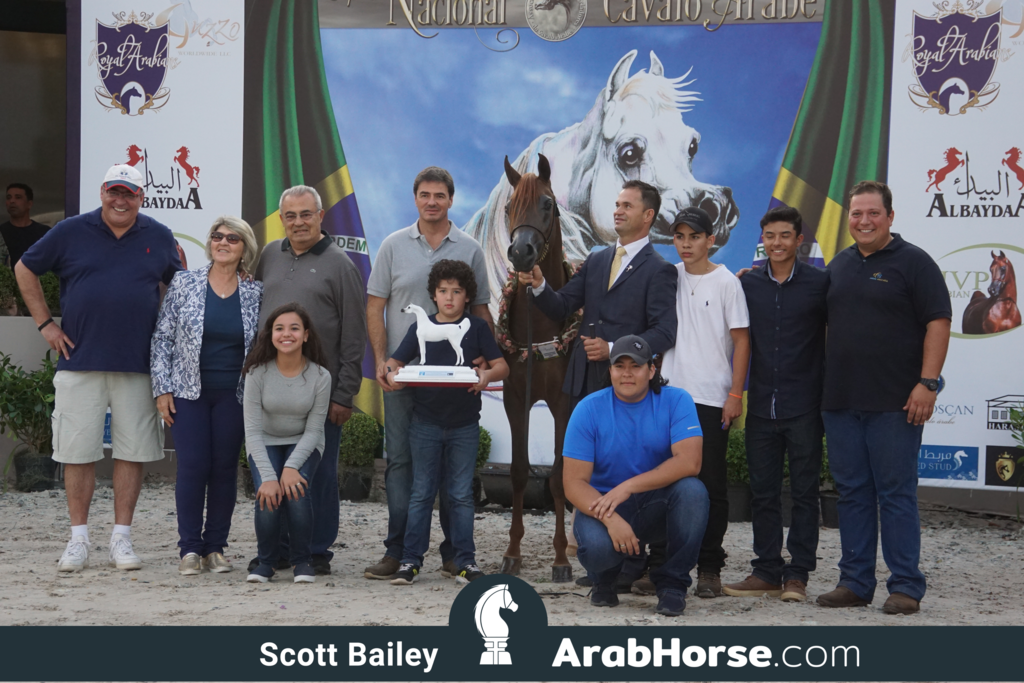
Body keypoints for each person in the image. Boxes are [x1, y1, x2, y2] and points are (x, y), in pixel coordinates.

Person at [15, 164, 181, 572]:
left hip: (138, 364)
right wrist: (45, 324)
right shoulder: (71, 230)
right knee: (77, 451)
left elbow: (180, 289)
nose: (120, 200)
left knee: (132, 452)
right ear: (102, 191)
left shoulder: (159, 236)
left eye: (129, 193)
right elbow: (24, 268)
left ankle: (121, 539)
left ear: (142, 197)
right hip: (79, 361)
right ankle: (79, 539)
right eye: (114, 191)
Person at [816, 181, 951, 615]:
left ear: (890, 217)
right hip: (840, 402)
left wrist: (928, 383)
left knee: (895, 494)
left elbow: (938, 322)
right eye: (857, 214)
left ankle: (906, 586)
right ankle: (855, 582)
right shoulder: (838, 266)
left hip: (896, 403)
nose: (864, 221)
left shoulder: (914, 263)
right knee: (852, 493)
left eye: (873, 213)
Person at [364, 167, 492, 581]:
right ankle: (398, 551)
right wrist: (384, 360)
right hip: (402, 377)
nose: (432, 201)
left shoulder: (471, 248)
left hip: (454, 386)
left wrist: (488, 363)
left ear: (451, 199)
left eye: (440, 195)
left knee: (456, 475)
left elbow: (482, 311)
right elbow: (375, 305)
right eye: (424, 194)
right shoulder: (392, 245)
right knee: (401, 463)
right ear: (415, 198)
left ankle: (456, 554)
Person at [250, 185, 368, 575]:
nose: (298, 222)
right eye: (290, 215)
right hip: (271, 391)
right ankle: (281, 549)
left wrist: (344, 394)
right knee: (275, 470)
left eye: (306, 214)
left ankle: (317, 551)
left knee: (316, 476)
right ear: (281, 219)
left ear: (321, 216)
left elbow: (354, 335)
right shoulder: (268, 255)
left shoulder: (340, 265)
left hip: (321, 395)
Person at [724, 206, 828, 603]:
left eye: (785, 236)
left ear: (799, 240)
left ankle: (797, 575)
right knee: (762, 493)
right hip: (762, 407)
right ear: (761, 240)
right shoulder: (746, 285)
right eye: (770, 236)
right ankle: (766, 569)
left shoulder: (820, 284)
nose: (777, 243)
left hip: (805, 405)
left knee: (804, 494)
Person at [563, 335, 709, 617]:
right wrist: (611, 518)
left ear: (652, 370)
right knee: (596, 549)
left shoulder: (677, 400)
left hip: (656, 503)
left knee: (693, 492)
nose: (627, 373)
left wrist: (628, 486)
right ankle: (604, 579)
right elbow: (573, 483)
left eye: (636, 366)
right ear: (610, 371)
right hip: (605, 506)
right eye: (619, 366)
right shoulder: (588, 408)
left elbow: (691, 462)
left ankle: (672, 584)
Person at [382, 259, 508, 585]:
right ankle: (410, 561)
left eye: (457, 291)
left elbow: (501, 367)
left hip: (465, 425)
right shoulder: (417, 328)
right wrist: (392, 372)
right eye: (442, 291)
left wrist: (486, 375)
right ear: (433, 296)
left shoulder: (478, 329)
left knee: (462, 495)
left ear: (468, 296)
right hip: (424, 424)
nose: (449, 297)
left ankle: (464, 560)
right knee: (421, 493)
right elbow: (395, 361)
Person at [150, 216, 263, 575]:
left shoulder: (255, 292)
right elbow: (162, 338)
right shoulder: (184, 283)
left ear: (245, 248)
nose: (223, 242)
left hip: (235, 394)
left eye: (233, 237)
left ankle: (215, 548)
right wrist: (161, 388)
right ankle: (189, 549)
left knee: (224, 469)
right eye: (217, 236)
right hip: (187, 393)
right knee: (193, 467)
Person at [518, 180, 677, 407]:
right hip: (581, 383)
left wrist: (613, 348)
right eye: (617, 204)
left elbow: (664, 332)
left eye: (627, 206)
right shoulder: (596, 260)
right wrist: (539, 285)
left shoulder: (660, 270)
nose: (617, 212)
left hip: (627, 386)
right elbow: (561, 306)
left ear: (648, 215)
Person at [658, 207, 750, 600]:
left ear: (711, 240)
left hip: (711, 399)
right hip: (666, 396)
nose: (686, 244)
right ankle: (658, 562)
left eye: (694, 236)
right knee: (662, 481)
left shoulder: (728, 282)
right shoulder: (667, 277)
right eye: (679, 237)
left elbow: (743, 341)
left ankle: (710, 567)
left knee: (711, 486)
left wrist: (734, 395)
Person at [242, 304, 332, 584]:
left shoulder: (320, 376)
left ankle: (302, 561)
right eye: (279, 328)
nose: (286, 334)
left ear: (306, 335)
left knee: (296, 490)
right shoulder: (257, 373)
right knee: (267, 494)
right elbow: (252, 432)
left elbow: (315, 429)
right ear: (271, 335)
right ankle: (266, 562)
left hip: (305, 442)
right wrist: (268, 477)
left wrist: (292, 467)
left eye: (294, 328)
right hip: (265, 440)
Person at [1, 183, 50, 269]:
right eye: (9, 197)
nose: (12, 201)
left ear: (29, 204)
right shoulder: (1, 232)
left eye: (18, 197)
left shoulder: (44, 233)